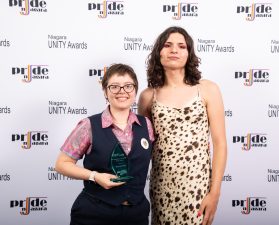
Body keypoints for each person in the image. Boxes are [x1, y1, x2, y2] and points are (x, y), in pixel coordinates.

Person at [138, 26, 227, 225]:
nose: (174, 50)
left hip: (198, 188)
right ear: (158, 52)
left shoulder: (207, 89)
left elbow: (220, 144)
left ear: (189, 53)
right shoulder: (147, 96)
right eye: (168, 45)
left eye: (181, 46)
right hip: (162, 187)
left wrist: (215, 193)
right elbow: (142, 148)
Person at [55, 63, 154, 225]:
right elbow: (61, 164)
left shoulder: (147, 125)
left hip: (136, 214)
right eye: (114, 87)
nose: (122, 91)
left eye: (128, 86)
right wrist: (94, 176)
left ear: (135, 91)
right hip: (94, 213)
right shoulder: (88, 125)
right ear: (105, 92)